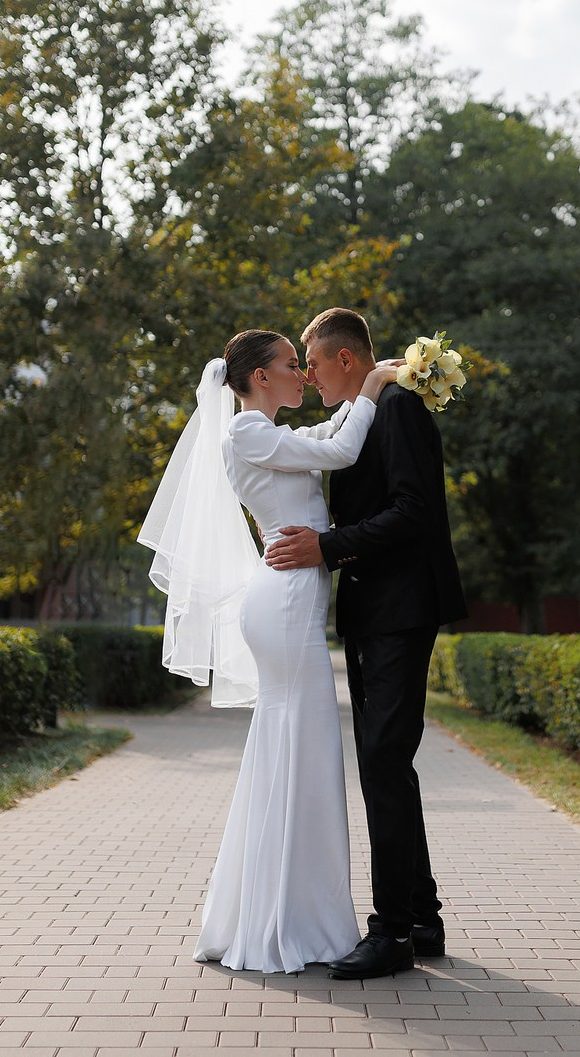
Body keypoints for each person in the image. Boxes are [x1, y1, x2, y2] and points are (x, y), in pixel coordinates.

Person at [139, 331, 397, 974]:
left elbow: (325, 437)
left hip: (290, 601)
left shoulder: (269, 434)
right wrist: (370, 387)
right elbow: (339, 447)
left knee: (298, 753)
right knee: (300, 751)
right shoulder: (247, 433)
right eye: (291, 365)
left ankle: (288, 910)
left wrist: (367, 393)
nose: (302, 375)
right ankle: (287, 922)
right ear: (258, 377)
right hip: (282, 604)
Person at [263, 307, 468, 981]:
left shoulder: (400, 410)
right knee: (387, 764)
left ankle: (392, 935)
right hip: (377, 610)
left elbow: (412, 512)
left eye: (313, 364)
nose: (310, 376)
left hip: (402, 608)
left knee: (383, 762)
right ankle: (423, 916)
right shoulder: (363, 414)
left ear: (344, 360)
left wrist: (327, 547)